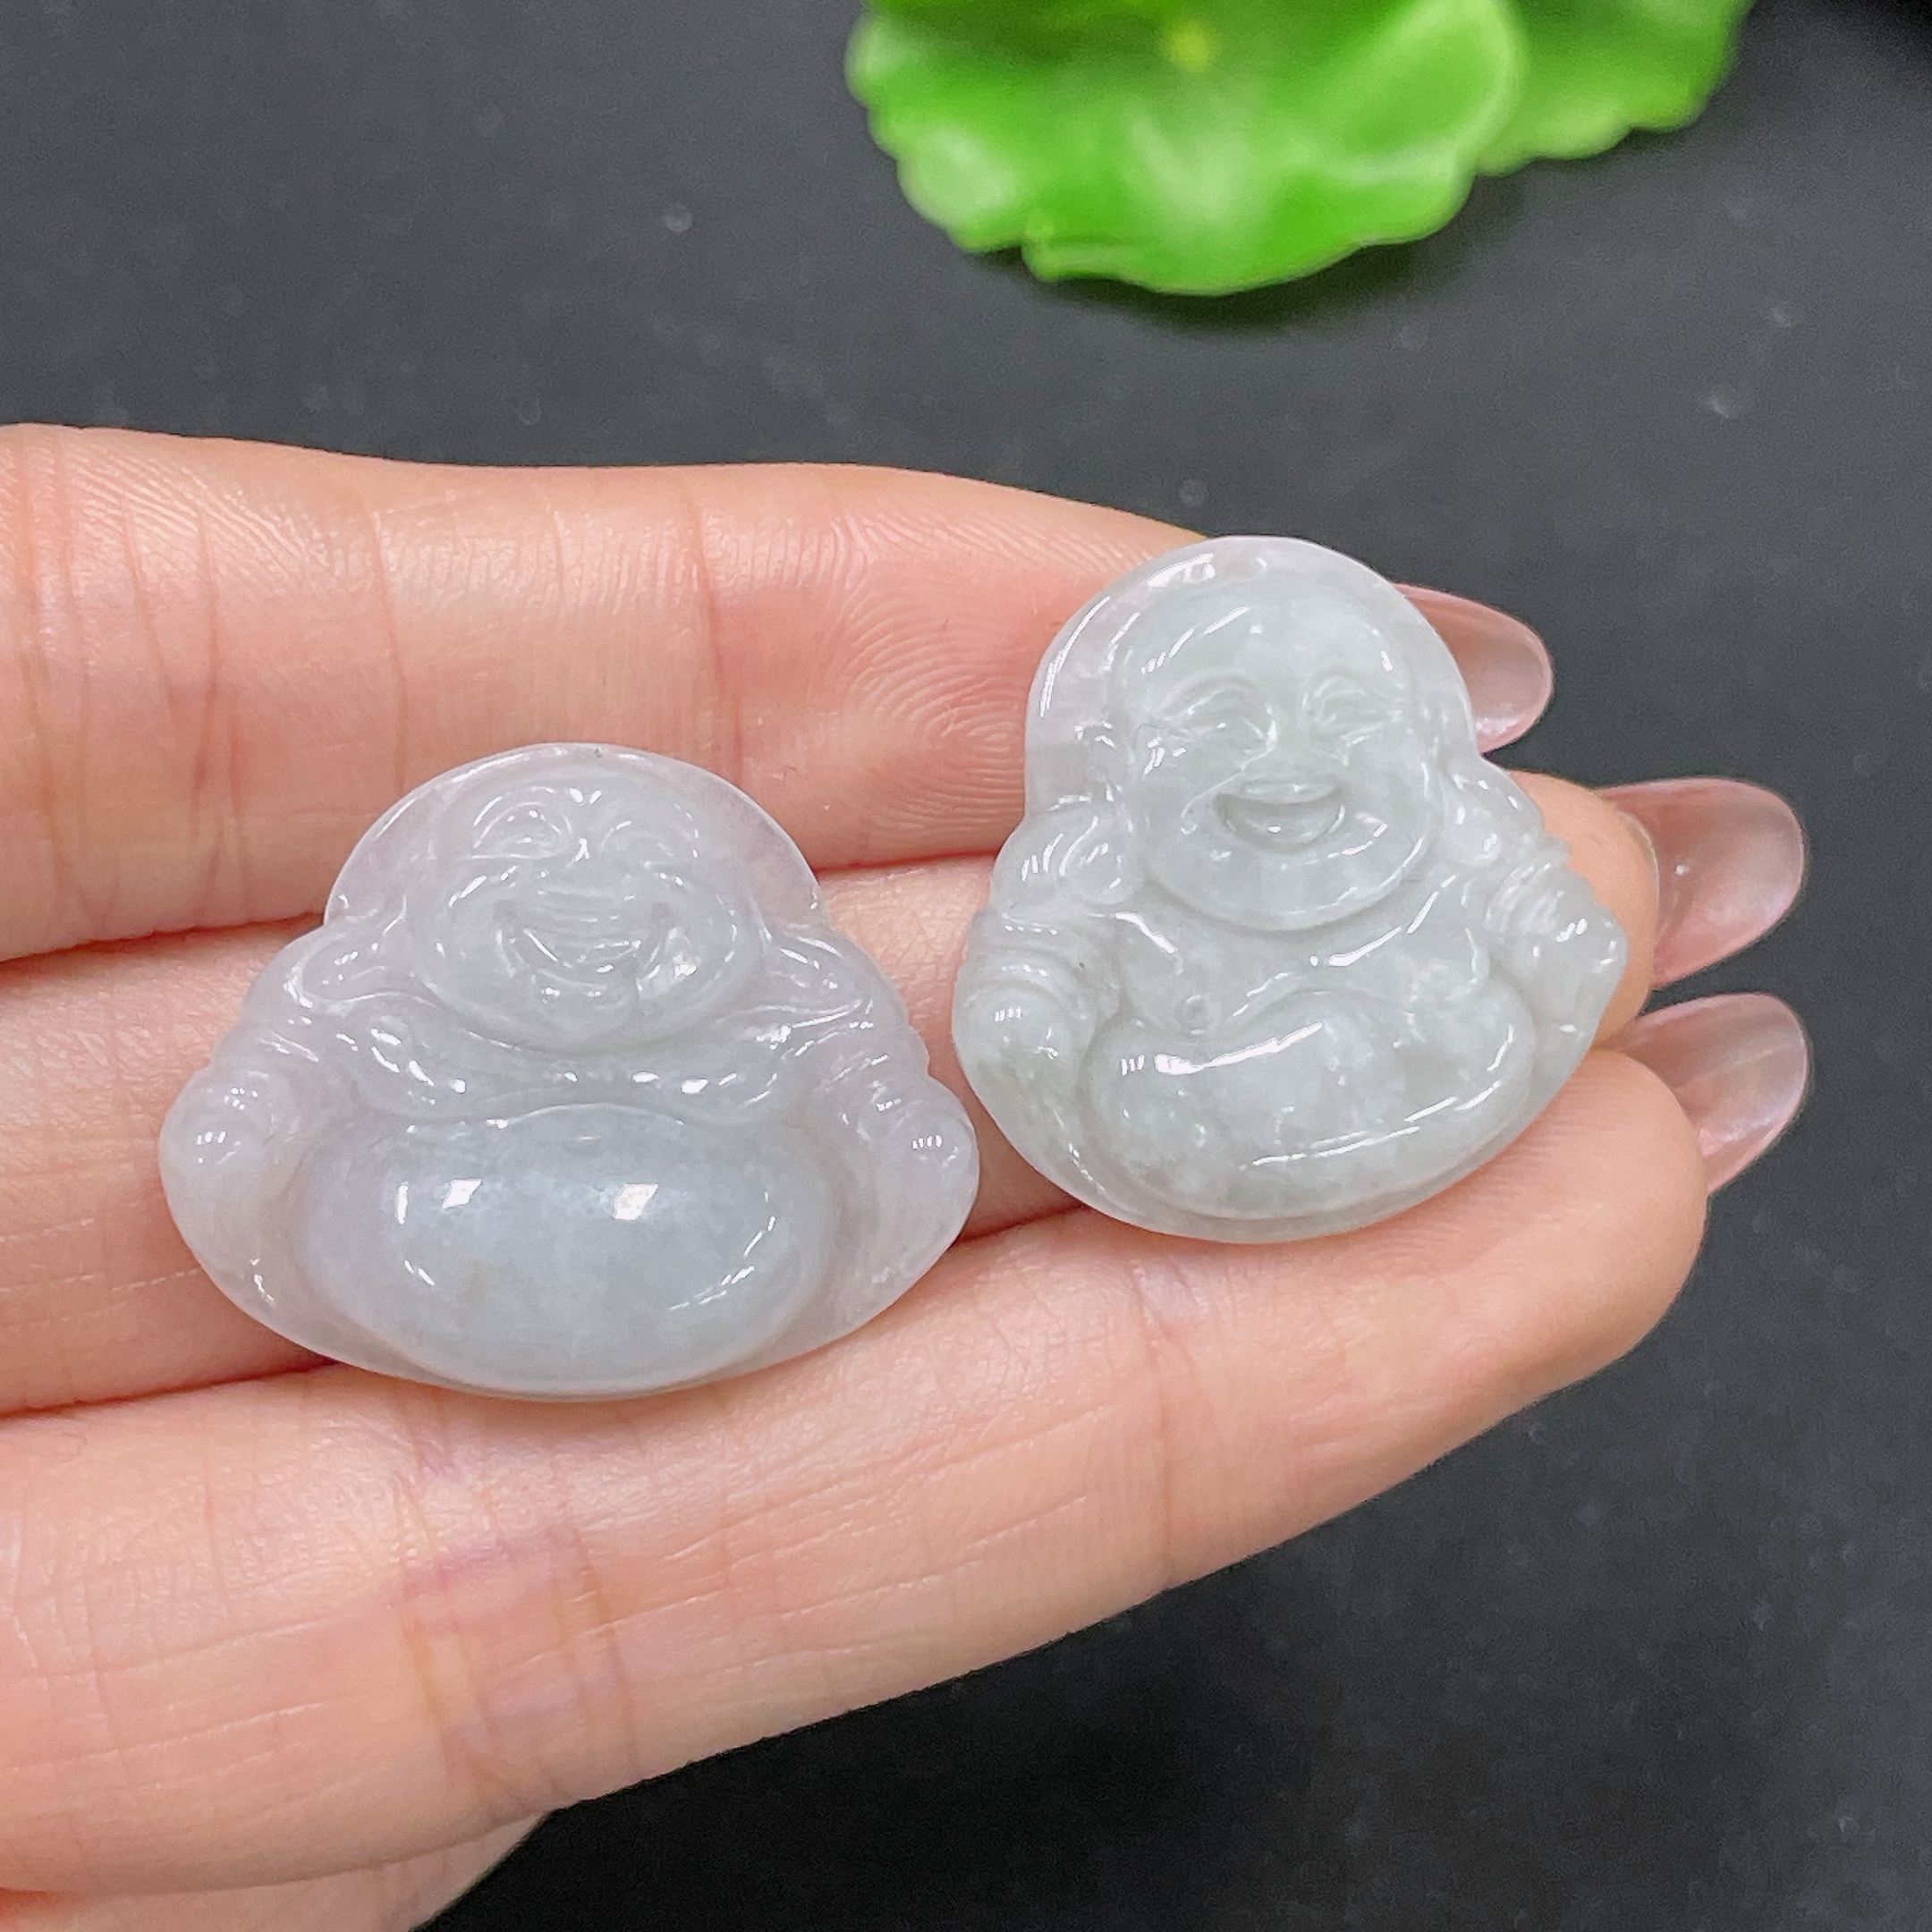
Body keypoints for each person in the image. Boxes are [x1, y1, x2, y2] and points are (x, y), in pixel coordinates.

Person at [0, 428, 1807, 1930]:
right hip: (463, 1213)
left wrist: (1524, 950)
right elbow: (1013, 1015)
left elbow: (1540, 938)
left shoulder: (1454, 852)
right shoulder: (376, 1010)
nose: (1290, 764)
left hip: (1353, 1064)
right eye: (1225, 721)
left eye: (1344, 716)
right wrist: (255, 1141)